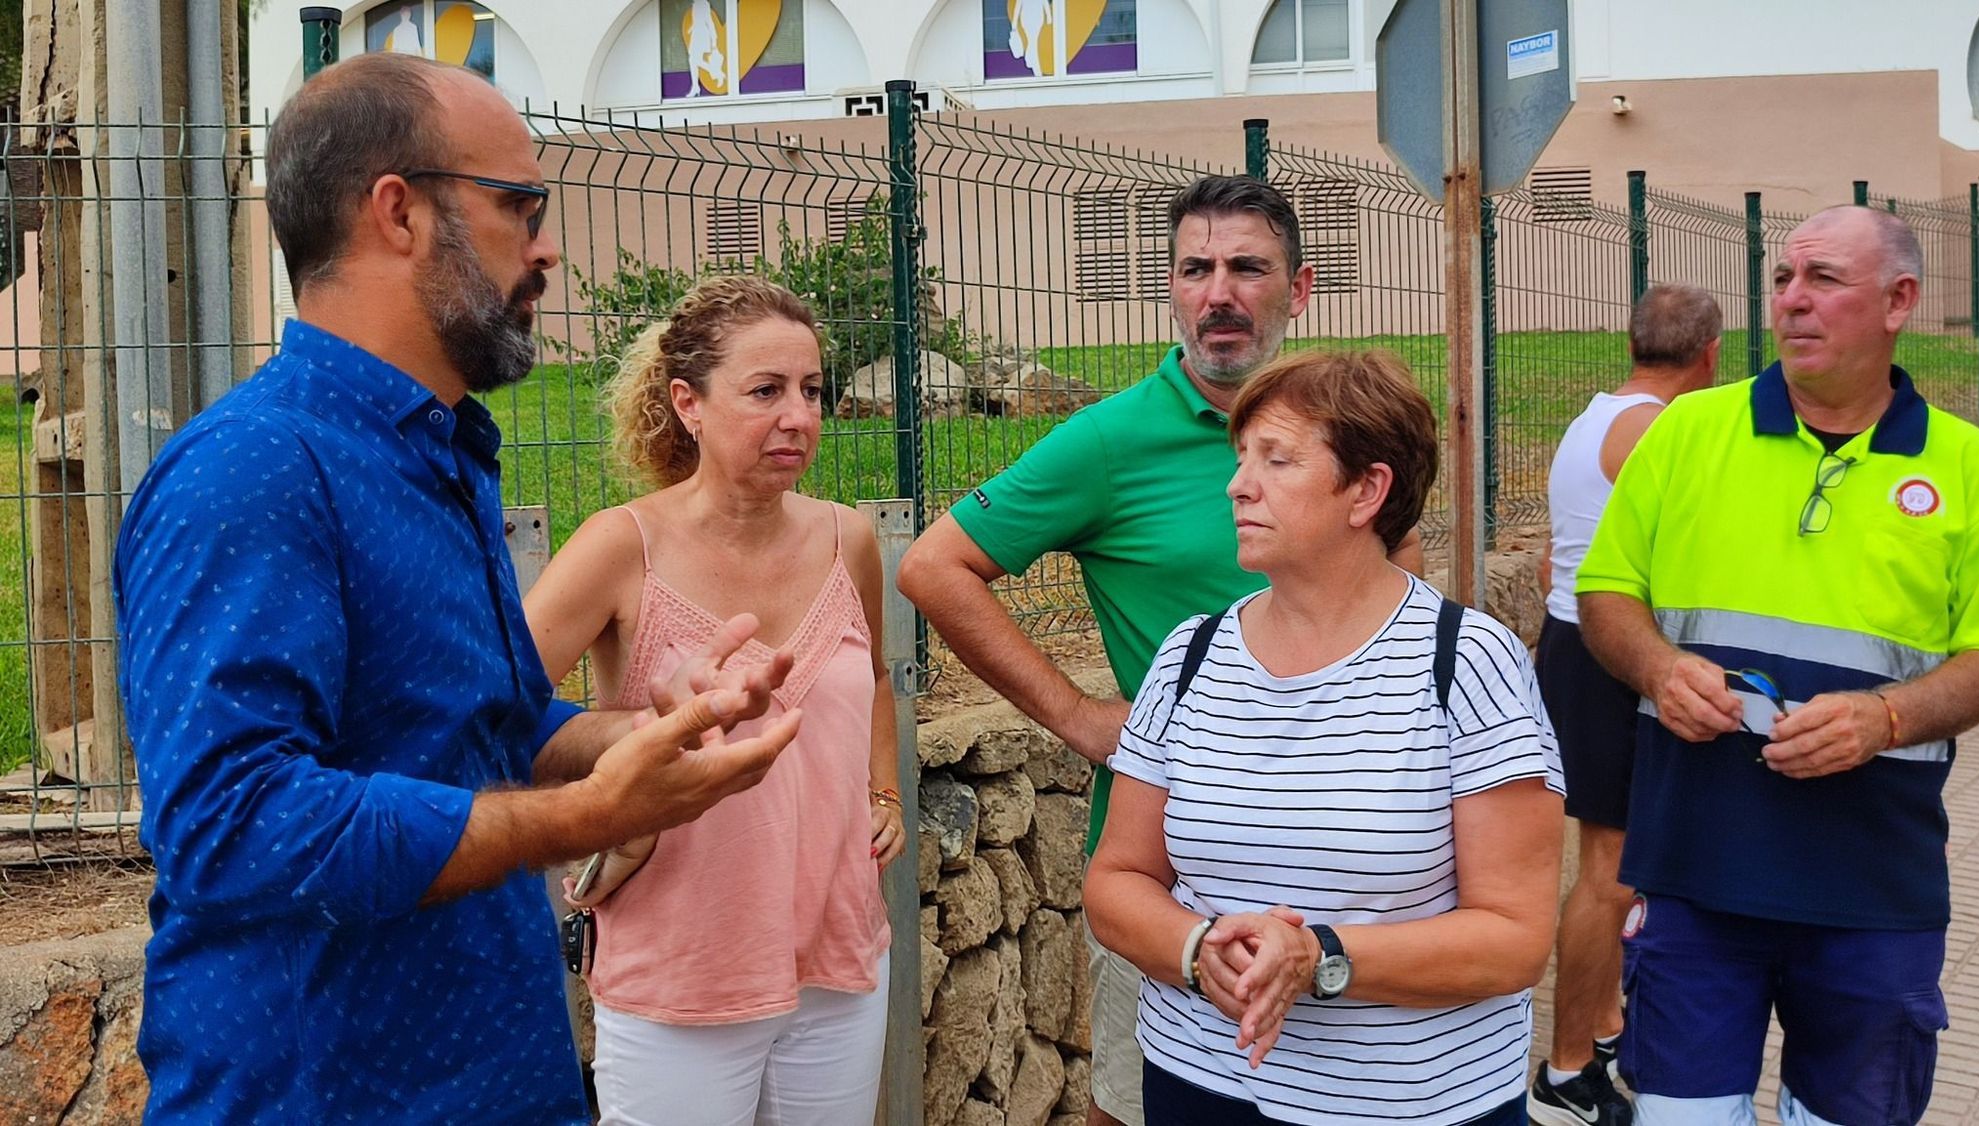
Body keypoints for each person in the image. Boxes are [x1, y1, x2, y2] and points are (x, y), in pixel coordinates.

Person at [113, 53, 798, 1122]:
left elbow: (488, 726)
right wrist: (582, 815)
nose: (546, 246)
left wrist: (638, 738)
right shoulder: (251, 471)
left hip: (493, 1075)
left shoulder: (439, 453)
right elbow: (233, 826)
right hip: (330, 1094)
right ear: (397, 211)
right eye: (518, 204)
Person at [898, 175, 1423, 1126]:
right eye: (1197, 269)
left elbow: (1404, 567)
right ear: (1174, 289)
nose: (1220, 292)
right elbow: (935, 568)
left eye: (1247, 268)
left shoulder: (1340, 428)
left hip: (1356, 863)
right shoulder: (1109, 441)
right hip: (1174, 871)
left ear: (1298, 289)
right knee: (1144, 1105)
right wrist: (1080, 717)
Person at [1576, 205, 1979, 1125]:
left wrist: (1883, 720)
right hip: (1695, 870)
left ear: (1900, 302)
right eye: (1781, 280)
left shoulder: (1971, 467)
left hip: (1874, 888)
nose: (1792, 303)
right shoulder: (1688, 432)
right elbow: (1605, 596)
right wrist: (1657, 670)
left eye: (1823, 281)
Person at [1083, 349, 1565, 1126]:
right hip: (1197, 1086)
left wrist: (1320, 958)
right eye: (1242, 458)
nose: (1238, 485)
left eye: (1276, 460)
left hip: (1411, 1107)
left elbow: (1513, 939)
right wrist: (1196, 946)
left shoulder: (1466, 663)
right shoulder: (1190, 655)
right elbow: (1116, 880)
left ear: (1367, 490)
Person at [523, 275, 903, 1126]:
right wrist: (626, 750)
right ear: (688, 403)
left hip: (838, 961)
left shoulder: (849, 537)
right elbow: (490, 710)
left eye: (811, 390)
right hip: (681, 971)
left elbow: (875, 676)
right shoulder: (623, 548)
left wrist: (883, 790)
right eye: (765, 391)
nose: (799, 416)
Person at [1527, 284, 1719, 1126]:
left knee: (1612, 865)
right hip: (1609, 657)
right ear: (1710, 356)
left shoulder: (1595, 415)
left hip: (1573, 646)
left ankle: (1603, 1029)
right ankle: (1567, 1075)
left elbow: (1549, 559)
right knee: (1609, 875)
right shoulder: (1662, 429)